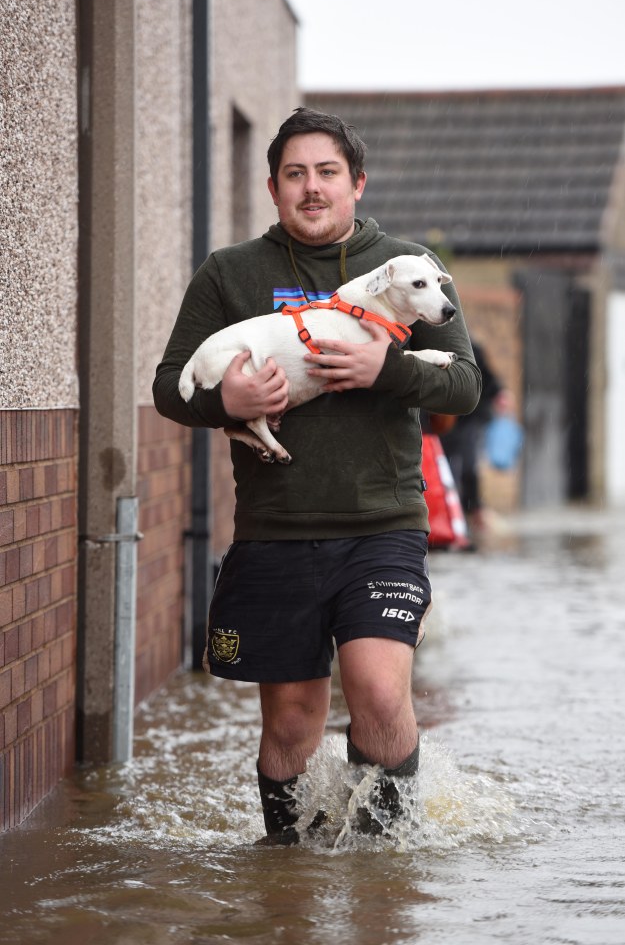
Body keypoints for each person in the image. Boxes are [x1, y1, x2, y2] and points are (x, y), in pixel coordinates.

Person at [153, 107, 481, 843]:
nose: (311, 188)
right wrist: (223, 402)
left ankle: (383, 860)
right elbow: (168, 385)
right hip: (277, 528)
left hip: (382, 524)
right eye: (294, 174)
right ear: (272, 188)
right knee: (294, 718)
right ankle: (288, 865)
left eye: (327, 173)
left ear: (356, 183)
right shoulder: (230, 273)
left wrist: (385, 368)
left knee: (376, 689)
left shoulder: (407, 268)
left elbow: (463, 385)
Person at [440, 340, 502, 532]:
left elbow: (489, 379)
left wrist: (500, 395)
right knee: (446, 467)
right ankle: (451, 512)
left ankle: (474, 510)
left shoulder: (472, 348)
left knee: (469, 465)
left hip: (470, 418)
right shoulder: (435, 348)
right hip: (444, 420)